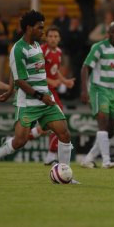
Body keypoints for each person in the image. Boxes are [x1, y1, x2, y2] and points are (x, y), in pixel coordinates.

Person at [0, 10, 77, 184]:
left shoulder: (36, 45)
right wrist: (38, 95)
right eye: (40, 28)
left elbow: (14, 71)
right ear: (29, 28)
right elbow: (20, 80)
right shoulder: (18, 49)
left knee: (64, 134)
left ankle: (65, 176)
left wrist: (10, 90)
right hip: (29, 102)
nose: (43, 31)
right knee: (20, 141)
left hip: (45, 99)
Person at [80, 21, 114, 169]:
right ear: (108, 33)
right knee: (102, 123)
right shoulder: (99, 47)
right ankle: (106, 161)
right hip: (98, 89)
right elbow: (85, 67)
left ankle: (88, 159)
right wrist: (84, 90)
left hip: (112, 91)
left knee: (110, 131)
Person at [40, 26, 75, 165]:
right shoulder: (42, 51)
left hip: (52, 92)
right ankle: (51, 154)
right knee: (57, 123)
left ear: (59, 39)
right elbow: (38, 74)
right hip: (42, 91)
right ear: (46, 38)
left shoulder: (59, 52)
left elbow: (56, 71)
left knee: (55, 124)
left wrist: (64, 81)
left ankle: (51, 155)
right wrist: (52, 81)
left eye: (56, 36)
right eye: (50, 36)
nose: (53, 39)